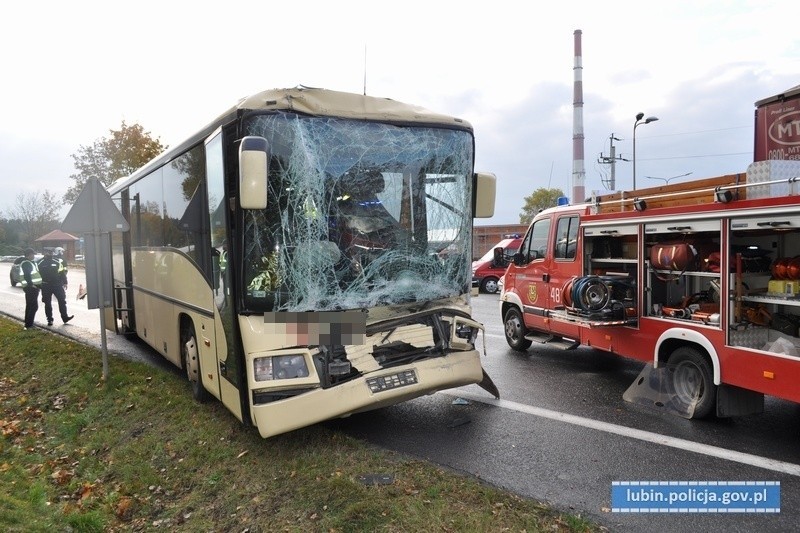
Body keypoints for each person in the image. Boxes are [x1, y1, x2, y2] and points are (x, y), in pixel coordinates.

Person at [38, 249, 73, 326]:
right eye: (48, 252)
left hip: (57, 285)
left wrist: (65, 282)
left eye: (51, 252)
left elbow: (62, 272)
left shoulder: (57, 262)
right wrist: (39, 285)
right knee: (47, 303)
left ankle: (65, 317)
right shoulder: (40, 263)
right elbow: (37, 275)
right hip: (46, 285)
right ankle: (49, 319)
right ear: (44, 253)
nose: (49, 254)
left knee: (62, 301)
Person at [20, 248, 42, 330]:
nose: (34, 255)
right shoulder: (26, 263)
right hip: (31, 288)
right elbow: (27, 275)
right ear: (29, 255)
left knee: (29, 306)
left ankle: (28, 323)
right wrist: (31, 285)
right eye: (32, 254)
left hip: (31, 288)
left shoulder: (30, 263)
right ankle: (29, 325)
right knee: (33, 306)